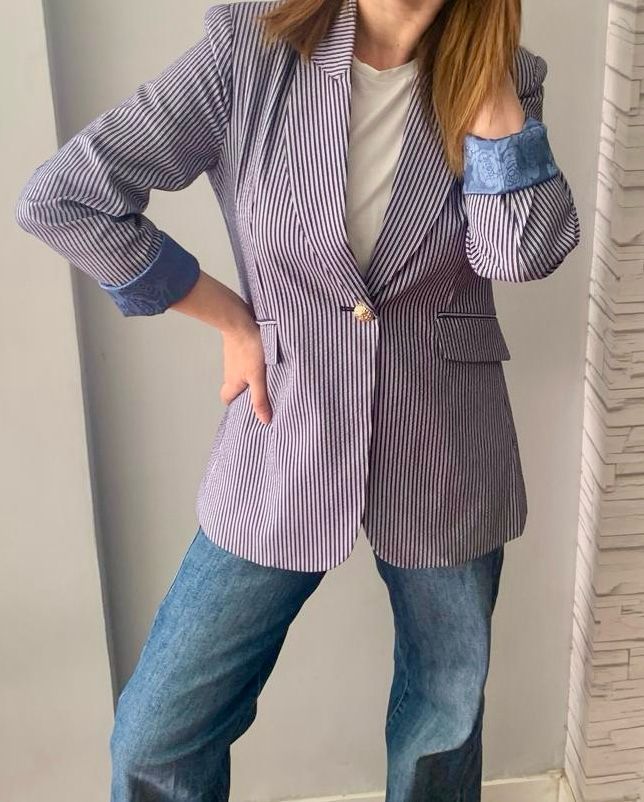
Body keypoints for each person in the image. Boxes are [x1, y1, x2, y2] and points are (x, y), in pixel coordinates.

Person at [14, 0, 580, 799]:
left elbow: (515, 252)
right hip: (284, 421)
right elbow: (64, 197)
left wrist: (484, 71)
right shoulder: (251, 48)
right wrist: (228, 316)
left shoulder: (508, 80)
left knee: (444, 721)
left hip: (448, 439)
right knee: (157, 736)